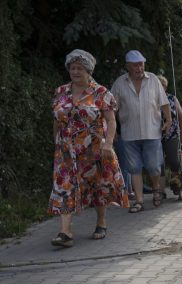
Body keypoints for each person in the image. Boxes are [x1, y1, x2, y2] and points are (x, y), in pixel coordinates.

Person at [49, 49, 129, 247]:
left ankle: (101, 221)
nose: (75, 72)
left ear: (88, 71)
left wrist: (109, 143)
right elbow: (56, 119)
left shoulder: (101, 93)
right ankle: (65, 232)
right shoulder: (61, 92)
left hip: (94, 148)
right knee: (64, 186)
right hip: (66, 150)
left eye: (80, 68)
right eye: (72, 68)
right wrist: (56, 142)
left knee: (97, 185)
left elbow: (111, 121)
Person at [111, 50, 171, 212]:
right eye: (135, 65)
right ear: (128, 67)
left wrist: (169, 120)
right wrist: (112, 129)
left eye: (141, 64)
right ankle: (139, 201)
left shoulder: (153, 80)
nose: (139, 68)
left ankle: (156, 188)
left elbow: (163, 102)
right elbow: (112, 109)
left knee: (153, 166)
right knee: (134, 167)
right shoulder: (119, 83)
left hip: (152, 132)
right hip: (129, 134)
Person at [157, 75, 182, 197]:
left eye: (162, 85)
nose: (160, 88)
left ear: (165, 87)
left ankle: (178, 184)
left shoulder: (172, 99)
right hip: (155, 135)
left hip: (172, 134)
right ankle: (161, 190)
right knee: (159, 163)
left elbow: (181, 118)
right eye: (158, 85)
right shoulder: (151, 99)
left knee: (173, 160)